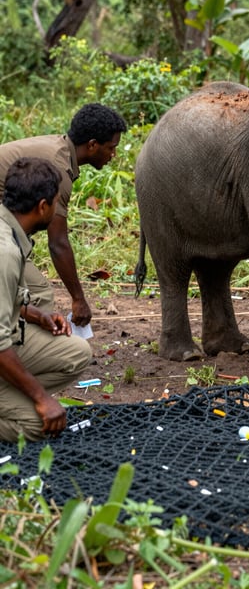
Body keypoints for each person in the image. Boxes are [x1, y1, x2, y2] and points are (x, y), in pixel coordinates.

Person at [0, 103, 127, 326]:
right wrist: (78, 299)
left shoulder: (60, 150)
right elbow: (57, 243)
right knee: (38, 295)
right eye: (111, 147)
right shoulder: (59, 168)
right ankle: (23, 354)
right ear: (92, 145)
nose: (113, 154)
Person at [0, 157, 91, 442]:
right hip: (3, 345)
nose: (56, 209)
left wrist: (38, 315)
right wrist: (42, 399)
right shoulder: (5, 254)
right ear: (42, 206)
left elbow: (9, 300)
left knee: (77, 353)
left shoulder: (10, 230)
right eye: (55, 202)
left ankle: (12, 395)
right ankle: (20, 403)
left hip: (10, 340)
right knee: (40, 426)